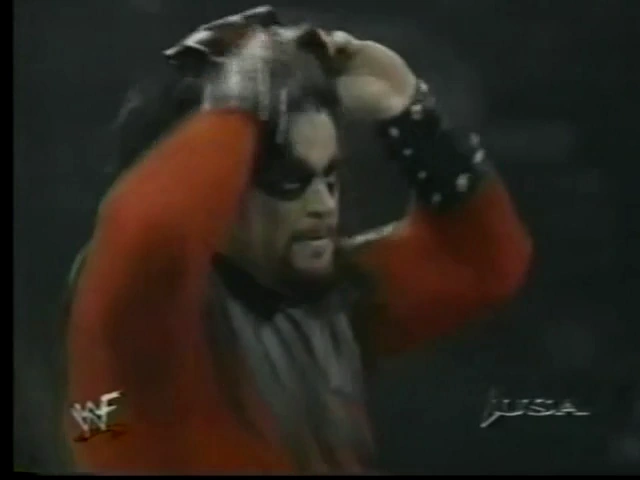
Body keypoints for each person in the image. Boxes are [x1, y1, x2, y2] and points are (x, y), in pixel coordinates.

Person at [63, 7, 532, 474]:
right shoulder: (140, 321)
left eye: (330, 178)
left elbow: (480, 264)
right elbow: (153, 228)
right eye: (288, 181)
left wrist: (412, 117)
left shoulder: (323, 306)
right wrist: (246, 96)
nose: (323, 205)